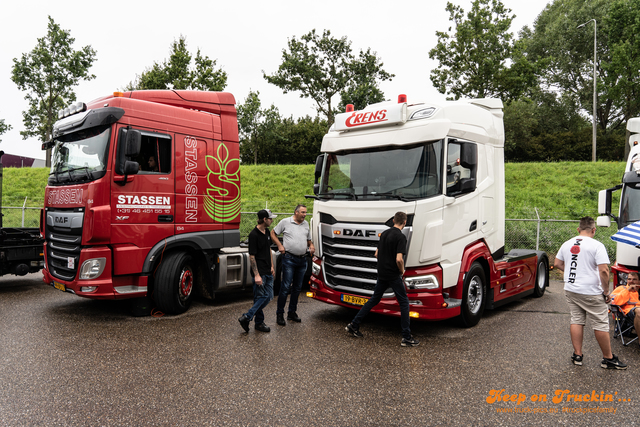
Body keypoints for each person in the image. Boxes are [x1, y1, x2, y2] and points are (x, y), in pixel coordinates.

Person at [554, 216, 627, 370]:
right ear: (594, 230)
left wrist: (573, 272)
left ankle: (577, 355)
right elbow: (604, 270)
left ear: (578, 229)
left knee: (577, 319)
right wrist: (606, 291)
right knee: (600, 322)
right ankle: (608, 358)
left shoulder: (567, 243)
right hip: (591, 292)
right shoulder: (597, 245)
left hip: (571, 289)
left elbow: (557, 264)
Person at [345, 211, 419, 347]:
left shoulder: (384, 234)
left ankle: (354, 324)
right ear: (404, 222)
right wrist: (401, 271)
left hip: (382, 274)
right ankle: (406, 337)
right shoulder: (400, 237)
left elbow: (376, 254)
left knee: (374, 299)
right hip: (393, 275)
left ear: (393, 221)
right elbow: (399, 259)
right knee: (404, 303)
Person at [271, 204, 315, 326]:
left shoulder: (306, 224)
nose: (305, 214)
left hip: (302, 260)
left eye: (306, 212)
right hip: (289, 258)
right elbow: (272, 233)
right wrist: (280, 245)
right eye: (303, 212)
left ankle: (292, 313)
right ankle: (280, 314)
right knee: (285, 287)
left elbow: (308, 238)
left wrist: (311, 245)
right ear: (296, 212)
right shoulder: (285, 222)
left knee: (297, 288)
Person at [238, 209, 277, 333]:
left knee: (268, 296)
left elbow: (268, 249)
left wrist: (272, 265)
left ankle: (247, 318)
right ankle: (257, 322)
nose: (272, 220)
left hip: (267, 270)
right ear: (264, 219)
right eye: (270, 218)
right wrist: (257, 275)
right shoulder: (253, 235)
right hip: (259, 272)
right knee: (261, 297)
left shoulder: (266, 232)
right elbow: (252, 256)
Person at [610, 271, 640, 343]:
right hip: (628, 312)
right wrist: (628, 290)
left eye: (634, 279)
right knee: (639, 311)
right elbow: (614, 302)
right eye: (629, 279)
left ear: (639, 281)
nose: (631, 281)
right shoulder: (621, 288)